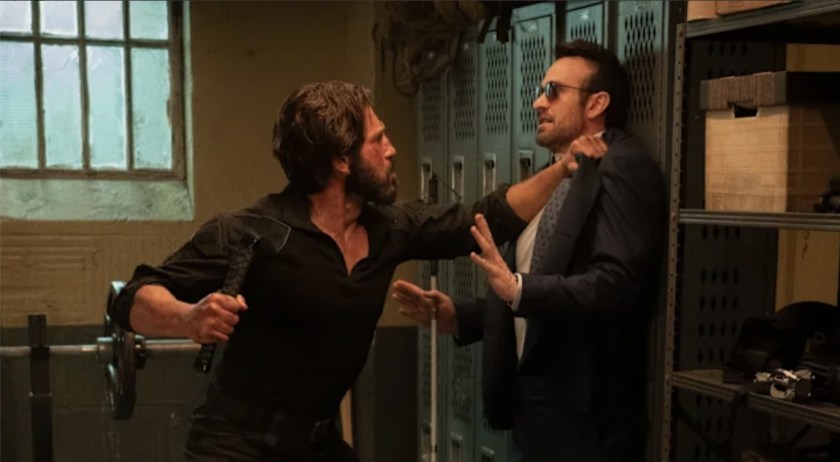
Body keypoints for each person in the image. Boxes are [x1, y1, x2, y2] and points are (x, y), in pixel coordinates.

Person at [111, 80, 599, 462]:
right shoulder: (251, 231)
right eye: (378, 139)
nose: (392, 149)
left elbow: (487, 217)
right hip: (234, 445)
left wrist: (562, 169)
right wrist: (188, 318)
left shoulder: (390, 228)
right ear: (342, 159)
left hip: (317, 443)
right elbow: (130, 298)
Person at [392, 40, 668, 462]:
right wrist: (458, 316)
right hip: (533, 417)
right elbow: (531, 284)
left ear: (596, 103)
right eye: (540, 91)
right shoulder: (555, 173)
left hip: (586, 424)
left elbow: (618, 287)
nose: (539, 102)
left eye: (553, 91)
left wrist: (519, 289)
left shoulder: (625, 165)